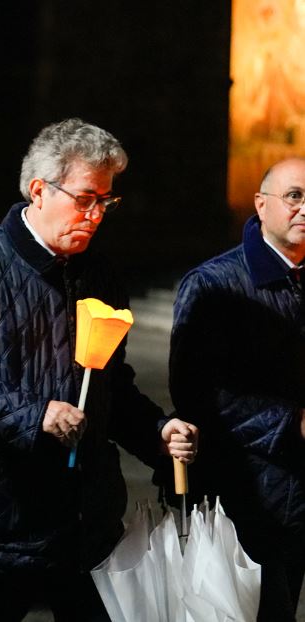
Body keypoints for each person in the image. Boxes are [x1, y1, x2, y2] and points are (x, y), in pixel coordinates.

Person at [0, 118, 199, 622]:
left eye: (106, 201)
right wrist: (32, 415)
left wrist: (156, 430)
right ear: (39, 190)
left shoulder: (99, 272)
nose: (97, 215)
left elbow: (109, 384)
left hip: (86, 524)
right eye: (85, 199)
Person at [169, 156, 305, 621]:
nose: (304, 208)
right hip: (246, 495)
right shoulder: (213, 284)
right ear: (260, 205)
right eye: (294, 196)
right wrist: (292, 422)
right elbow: (197, 391)